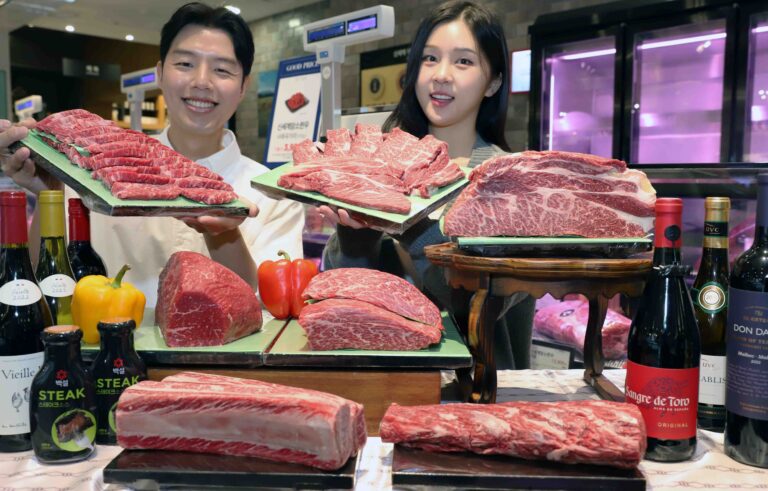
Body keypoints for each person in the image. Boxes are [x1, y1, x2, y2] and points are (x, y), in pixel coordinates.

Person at [0, 3, 304, 307]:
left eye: (222, 70)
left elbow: (271, 308)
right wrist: (49, 193)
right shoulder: (96, 173)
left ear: (243, 86)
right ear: (160, 73)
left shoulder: (272, 194)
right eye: (185, 64)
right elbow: (45, 281)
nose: (201, 81)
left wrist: (223, 235)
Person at [319, 0, 535, 370]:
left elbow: (482, 304)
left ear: (493, 82)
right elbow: (347, 290)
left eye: (463, 61)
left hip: (477, 388)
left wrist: (411, 223)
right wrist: (357, 236)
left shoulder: (510, 182)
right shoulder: (380, 166)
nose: (441, 75)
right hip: (385, 379)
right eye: (430, 58)